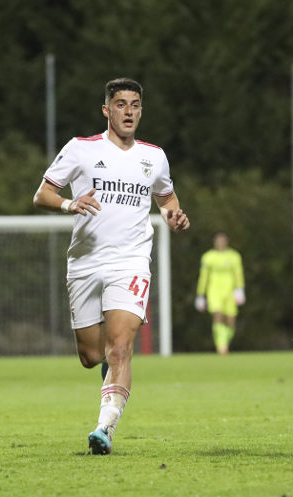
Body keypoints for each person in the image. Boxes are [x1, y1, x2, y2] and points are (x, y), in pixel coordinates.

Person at [33, 78, 190, 455]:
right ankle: (109, 374)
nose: (129, 111)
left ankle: (104, 427)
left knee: (120, 348)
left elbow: (166, 197)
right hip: (85, 263)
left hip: (131, 261)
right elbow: (43, 195)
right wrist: (70, 204)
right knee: (91, 356)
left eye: (135, 104)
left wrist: (173, 216)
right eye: (121, 104)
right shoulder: (81, 149)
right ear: (107, 110)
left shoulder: (154, 156)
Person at [194, 232, 245, 355]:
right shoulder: (208, 257)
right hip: (214, 291)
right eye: (218, 240)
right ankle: (221, 346)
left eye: (222, 240)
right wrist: (200, 294)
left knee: (231, 320)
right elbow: (204, 276)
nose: (220, 242)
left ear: (226, 241)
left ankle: (224, 341)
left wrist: (240, 289)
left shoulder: (234, 256)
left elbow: (238, 274)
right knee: (218, 315)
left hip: (230, 291)